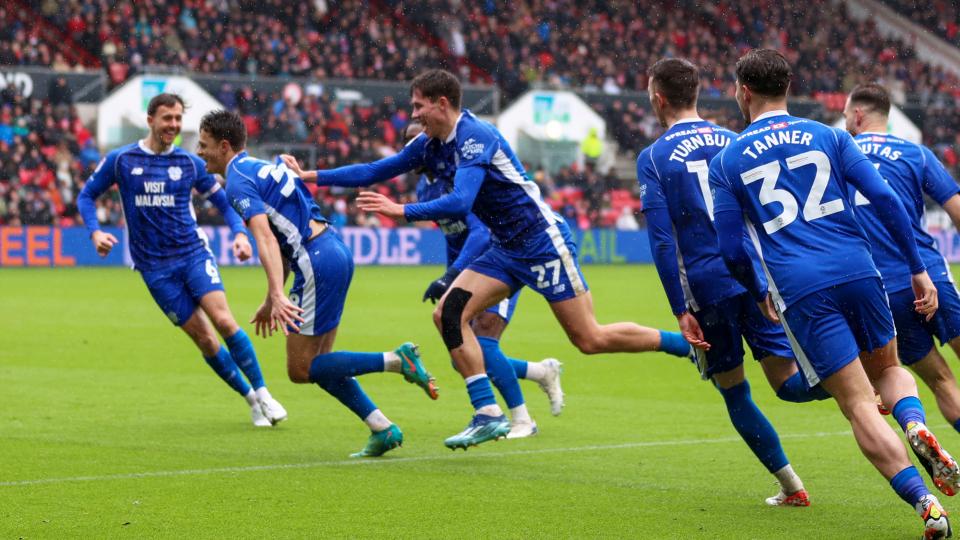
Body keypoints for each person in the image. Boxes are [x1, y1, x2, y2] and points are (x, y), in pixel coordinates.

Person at [334, 69, 693, 450]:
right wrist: (309, 175)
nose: (415, 116)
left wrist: (400, 211)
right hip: (505, 248)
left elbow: (461, 204)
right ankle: (488, 413)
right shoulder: (434, 153)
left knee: (590, 338)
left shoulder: (476, 137)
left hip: (541, 242)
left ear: (441, 103)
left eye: (419, 107)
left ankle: (684, 345)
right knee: (448, 314)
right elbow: (373, 170)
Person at [709, 49, 955, 538]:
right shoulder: (832, 136)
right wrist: (916, 269)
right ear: (789, 87)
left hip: (801, 287)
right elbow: (884, 198)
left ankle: (925, 502)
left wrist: (758, 290)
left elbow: (729, 247)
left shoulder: (727, 159)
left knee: (858, 403)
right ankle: (913, 423)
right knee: (888, 368)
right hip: (860, 270)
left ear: (743, 92)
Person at [282, 120, 566, 439]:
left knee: (484, 342)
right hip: (468, 270)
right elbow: (449, 233)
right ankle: (541, 371)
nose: (416, 148)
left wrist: (451, 274)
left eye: (421, 139)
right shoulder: (426, 187)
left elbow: (479, 232)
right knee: (464, 360)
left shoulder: (459, 177)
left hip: (499, 259)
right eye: (410, 142)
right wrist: (311, 176)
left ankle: (521, 419)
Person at [639, 58, 831, 507]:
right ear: (698, 92)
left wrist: (678, 308)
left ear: (659, 98)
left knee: (735, 390)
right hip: (753, 278)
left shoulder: (654, 157)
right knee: (786, 382)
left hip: (706, 289)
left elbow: (663, 242)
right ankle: (853, 381)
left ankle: (792, 486)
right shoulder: (733, 140)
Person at [196, 109, 439, 458]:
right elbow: (283, 236)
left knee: (301, 369)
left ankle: (397, 360)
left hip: (315, 261)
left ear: (223, 146)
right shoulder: (265, 167)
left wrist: (278, 293)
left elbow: (264, 237)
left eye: (203, 145)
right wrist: (271, 296)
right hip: (333, 250)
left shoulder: (236, 181)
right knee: (324, 363)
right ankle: (382, 428)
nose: (199, 151)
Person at [76, 93, 287, 428]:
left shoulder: (190, 163)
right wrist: (94, 233)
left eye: (177, 119)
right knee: (204, 339)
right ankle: (251, 401)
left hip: (192, 254)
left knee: (225, 321)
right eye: (167, 118)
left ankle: (265, 394)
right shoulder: (121, 160)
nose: (173, 125)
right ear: (150, 121)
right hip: (154, 269)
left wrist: (239, 233)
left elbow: (224, 200)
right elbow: (86, 195)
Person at [844, 82, 960, 435]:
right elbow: (956, 209)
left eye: (848, 114)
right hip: (928, 274)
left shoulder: (839, 156)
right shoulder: (916, 153)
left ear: (859, 115)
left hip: (884, 289)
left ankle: (916, 425)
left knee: (941, 380)